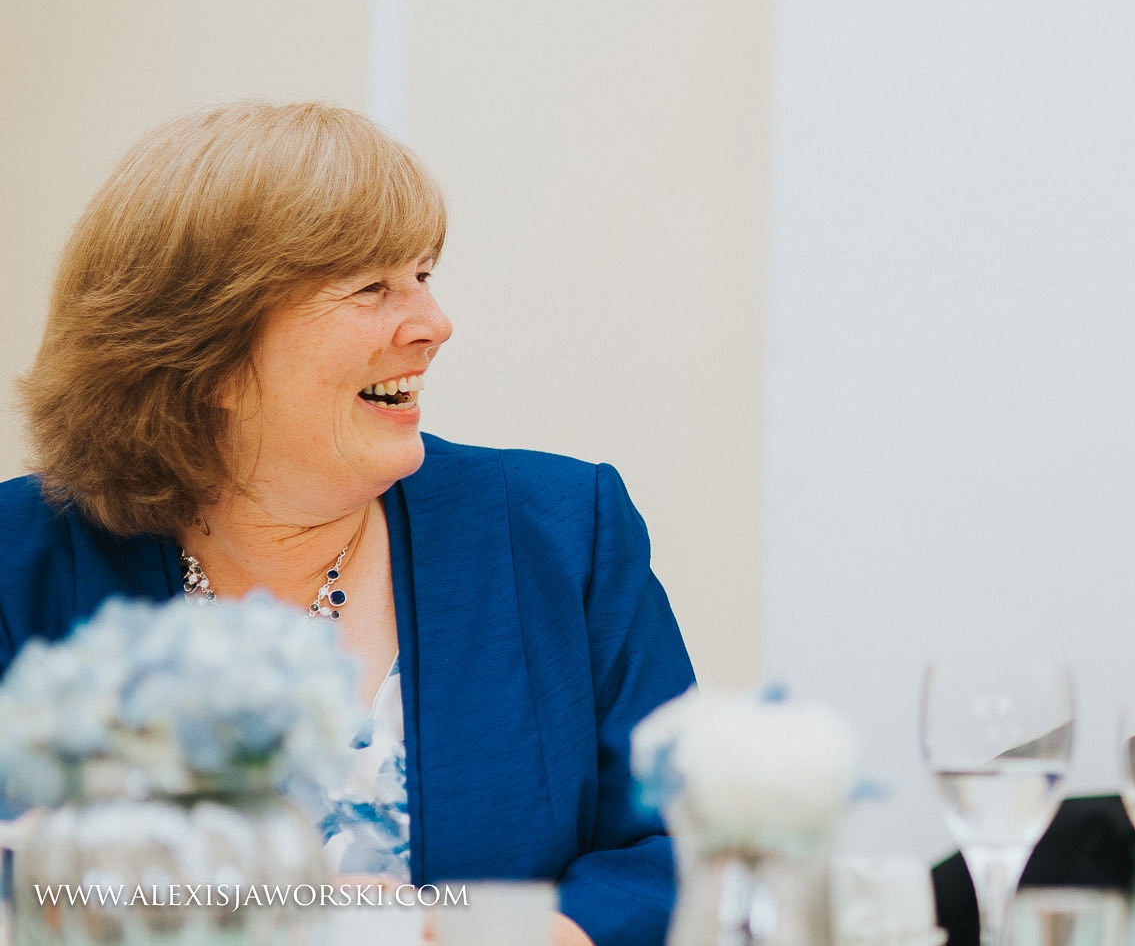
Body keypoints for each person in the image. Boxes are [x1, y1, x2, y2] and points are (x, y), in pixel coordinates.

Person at [0, 102, 695, 946]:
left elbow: (684, 848)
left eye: (423, 276)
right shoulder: (20, 558)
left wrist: (513, 933)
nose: (433, 325)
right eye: (372, 288)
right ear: (208, 352)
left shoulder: (560, 530)